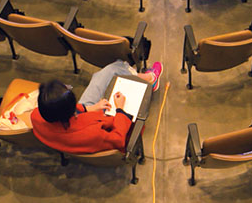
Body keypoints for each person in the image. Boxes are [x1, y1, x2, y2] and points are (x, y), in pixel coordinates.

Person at [31, 60, 162, 154]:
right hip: (101, 126)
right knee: (115, 69)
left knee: (106, 74)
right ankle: (150, 79)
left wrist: (89, 108)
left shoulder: (36, 116)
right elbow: (119, 139)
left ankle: (147, 78)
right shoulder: (92, 133)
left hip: (74, 131)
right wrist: (120, 110)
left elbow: (66, 113)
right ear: (70, 108)